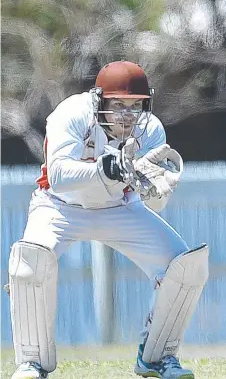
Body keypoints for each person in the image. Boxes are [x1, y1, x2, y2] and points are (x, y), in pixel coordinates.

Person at [8, 61, 209, 379]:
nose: (128, 115)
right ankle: (32, 362)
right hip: (61, 208)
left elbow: (153, 201)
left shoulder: (151, 129)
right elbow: (59, 176)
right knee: (29, 261)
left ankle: (156, 358)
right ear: (99, 100)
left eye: (135, 106)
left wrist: (159, 188)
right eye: (118, 105)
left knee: (185, 267)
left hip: (119, 208)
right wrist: (103, 168)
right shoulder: (71, 113)